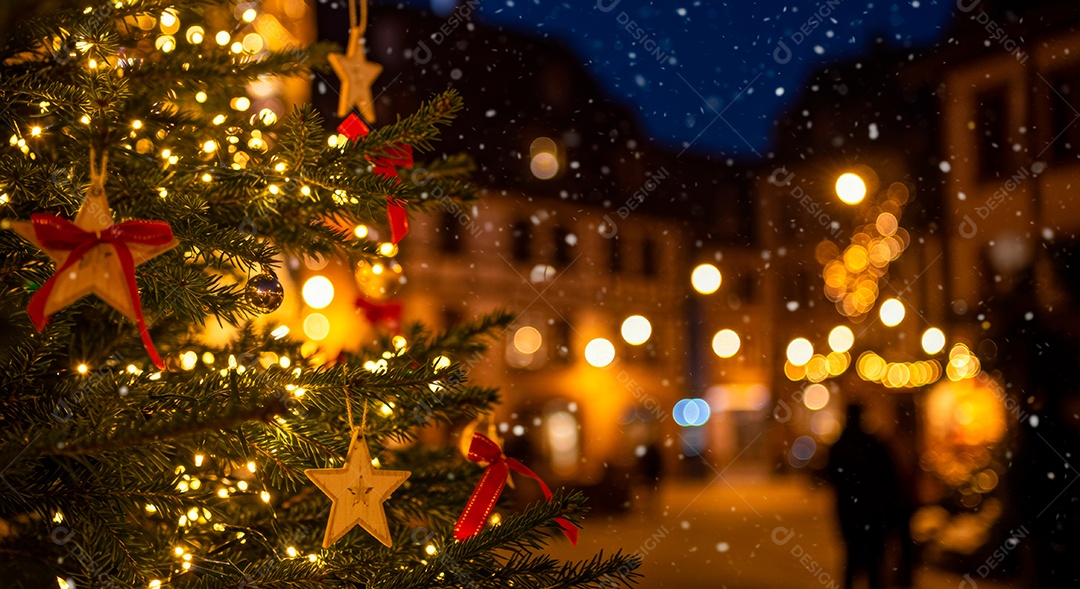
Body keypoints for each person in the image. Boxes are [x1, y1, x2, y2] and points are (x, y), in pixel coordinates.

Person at [826, 404, 901, 589]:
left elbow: (830, 475)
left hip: (850, 510)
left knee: (853, 557)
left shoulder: (841, 445)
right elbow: (889, 477)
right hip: (872, 510)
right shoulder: (873, 444)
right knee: (874, 560)